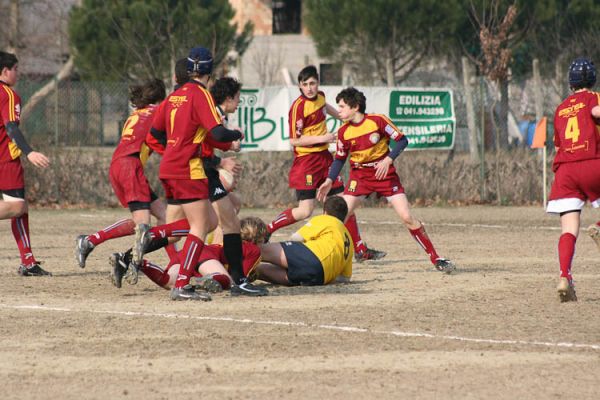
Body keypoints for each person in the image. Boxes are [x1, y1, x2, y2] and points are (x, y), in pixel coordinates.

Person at [147, 46, 262, 300]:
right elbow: (216, 133)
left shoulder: (173, 97)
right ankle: (183, 280)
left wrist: (174, 150)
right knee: (202, 225)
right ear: (209, 71)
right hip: (193, 168)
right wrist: (235, 137)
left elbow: (154, 135)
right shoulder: (201, 95)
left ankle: (142, 247)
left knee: (211, 220)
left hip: (172, 167)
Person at [317, 87, 455, 274]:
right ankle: (324, 257)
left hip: (385, 176)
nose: (338, 111)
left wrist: (388, 159)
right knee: (339, 215)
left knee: (407, 217)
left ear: (355, 107)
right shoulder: (343, 132)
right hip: (360, 177)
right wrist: (328, 180)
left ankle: (436, 258)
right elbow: (340, 158)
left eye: (342, 106)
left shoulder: (378, 121)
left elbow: (402, 140)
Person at [266, 65, 385, 262]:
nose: (310, 88)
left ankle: (360, 249)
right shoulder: (298, 107)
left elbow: (328, 109)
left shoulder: (320, 97)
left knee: (342, 203)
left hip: (325, 159)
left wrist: (348, 117)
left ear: (318, 83)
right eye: (305, 84)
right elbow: (294, 140)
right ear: (300, 86)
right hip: (306, 162)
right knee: (305, 211)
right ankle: (269, 229)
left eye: (313, 83)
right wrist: (324, 138)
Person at [75, 79, 175, 275]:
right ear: (160, 99)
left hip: (120, 164)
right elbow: (158, 141)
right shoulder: (156, 113)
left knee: (163, 216)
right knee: (143, 226)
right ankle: (126, 262)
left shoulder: (136, 114)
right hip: (130, 167)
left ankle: (176, 263)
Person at [546, 58, 600, 302]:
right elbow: (596, 112)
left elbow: (558, 143)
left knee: (568, 230)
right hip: (591, 163)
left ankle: (564, 276)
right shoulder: (594, 98)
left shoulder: (561, 108)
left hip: (565, 171)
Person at [109, 217, 269, 297]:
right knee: (227, 280)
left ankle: (136, 262)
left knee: (169, 281)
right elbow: (240, 279)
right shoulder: (254, 250)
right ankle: (209, 278)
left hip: (188, 253)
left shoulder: (229, 241)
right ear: (259, 237)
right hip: (204, 254)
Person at [0, 51, 51, 276]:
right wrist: (28, 152)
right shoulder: (9, 95)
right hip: (5, 160)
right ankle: (28, 262)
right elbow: (11, 127)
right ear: (5, 71)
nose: (18, 74)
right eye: (16, 69)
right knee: (18, 207)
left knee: (22, 209)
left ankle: (28, 261)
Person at [257, 196, 353, 286]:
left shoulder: (326, 219)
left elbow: (297, 238)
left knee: (261, 251)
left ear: (325, 212)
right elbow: (344, 278)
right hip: (318, 277)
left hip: (311, 257)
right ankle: (245, 273)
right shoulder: (349, 238)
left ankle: (242, 253)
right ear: (344, 217)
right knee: (257, 271)